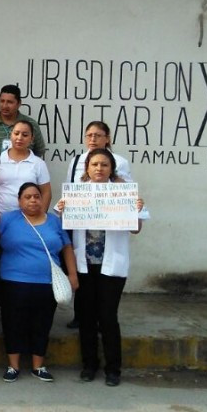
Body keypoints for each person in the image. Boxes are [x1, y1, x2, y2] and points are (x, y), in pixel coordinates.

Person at [56, 148, 144, 387]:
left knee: (107, 318)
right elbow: (62, 229)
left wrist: (135, 210)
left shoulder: (123, 194)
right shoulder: (76, 193)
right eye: (94, 164)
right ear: (87, 168)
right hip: (84, 266)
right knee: (86, 318)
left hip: (111, 266)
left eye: (104, 165)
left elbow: (135, 228)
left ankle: (113, 369)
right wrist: (62, 210)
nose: (99, 169)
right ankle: (89, 365)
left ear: (111, 169)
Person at [0, 182, 78, 383]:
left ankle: (38, 366)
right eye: (27, 197)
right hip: (13, 281)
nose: (33, 200)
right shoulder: (8, 219)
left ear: (42, 199)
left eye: (37, 196)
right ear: (19, 201)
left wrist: (72, 275)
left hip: (47, 283)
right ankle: (13, 366)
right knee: (13, 323)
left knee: (42, 323)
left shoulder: (54, 221)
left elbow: (67, 247)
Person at [0, 119, 51, 324]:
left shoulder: (38, 163)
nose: (19, 138)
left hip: (26, 222)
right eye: (16, 133)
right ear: (10, 135)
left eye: (25, 135)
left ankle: (17, 306)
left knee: (20, 262)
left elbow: (46, 191)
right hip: (0, 220)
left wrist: (40, 217)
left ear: (32, 138)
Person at [63, 121, 132, 329]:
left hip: (108, 230)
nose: (92, 139)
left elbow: (125, 192)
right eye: (89, 135)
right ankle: (80, 316)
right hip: (83, 225)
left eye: (98, 135)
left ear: (108, 138)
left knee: (106, 300)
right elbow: (70, 189)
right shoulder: (76, 161)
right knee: (83, 282)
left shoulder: (120, 161)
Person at [0, 84, 45, 182]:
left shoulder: (30, 124)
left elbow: (39, 151)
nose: (4, 106)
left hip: (21, 185)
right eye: (2, 101)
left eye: (10, 102)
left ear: (19, 103)